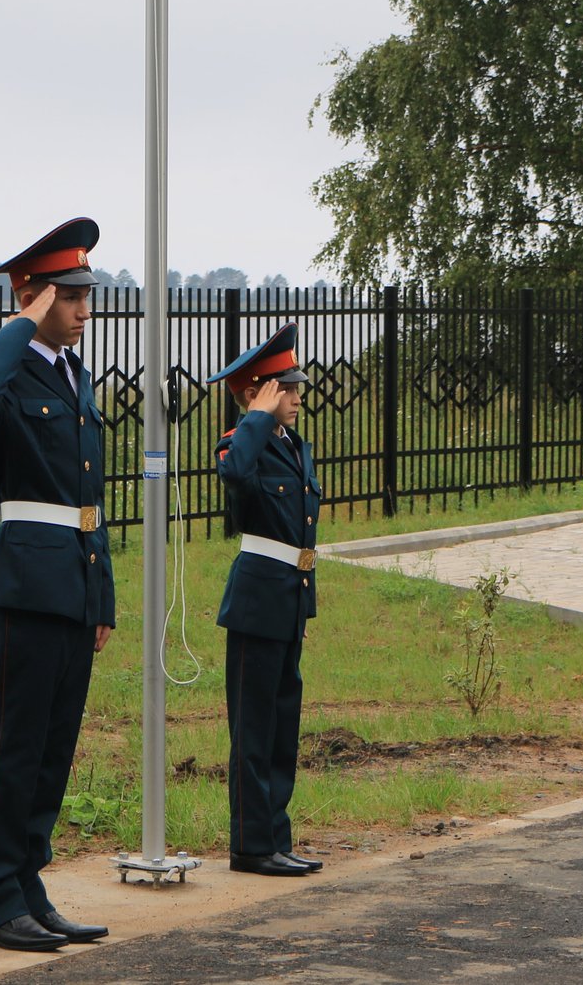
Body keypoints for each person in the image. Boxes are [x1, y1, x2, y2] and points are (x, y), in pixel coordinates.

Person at [0, 216, 115, 954]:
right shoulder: (13, 365)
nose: (85, 306)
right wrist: (19, 322)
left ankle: (27, 886)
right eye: (69, 293)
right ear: (33, 295)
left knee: (53, 748)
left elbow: (89, 495)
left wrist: (102, 595)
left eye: (87, 292)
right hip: (26, 579)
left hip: (74, 580)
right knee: (14, 745)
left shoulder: (72, 373)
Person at [208, 323, 324, 877]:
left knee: (282, 727)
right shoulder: (242, 442)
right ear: (261, 391)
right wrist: (254, 412)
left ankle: (276, 838)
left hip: (288, 601)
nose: (298, 397)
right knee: (253, 731)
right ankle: (251, 846)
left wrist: (307, 607)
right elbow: (234, 473)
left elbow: (303, 535)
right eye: (287, 388)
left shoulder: (293, 446)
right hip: (256, 601)